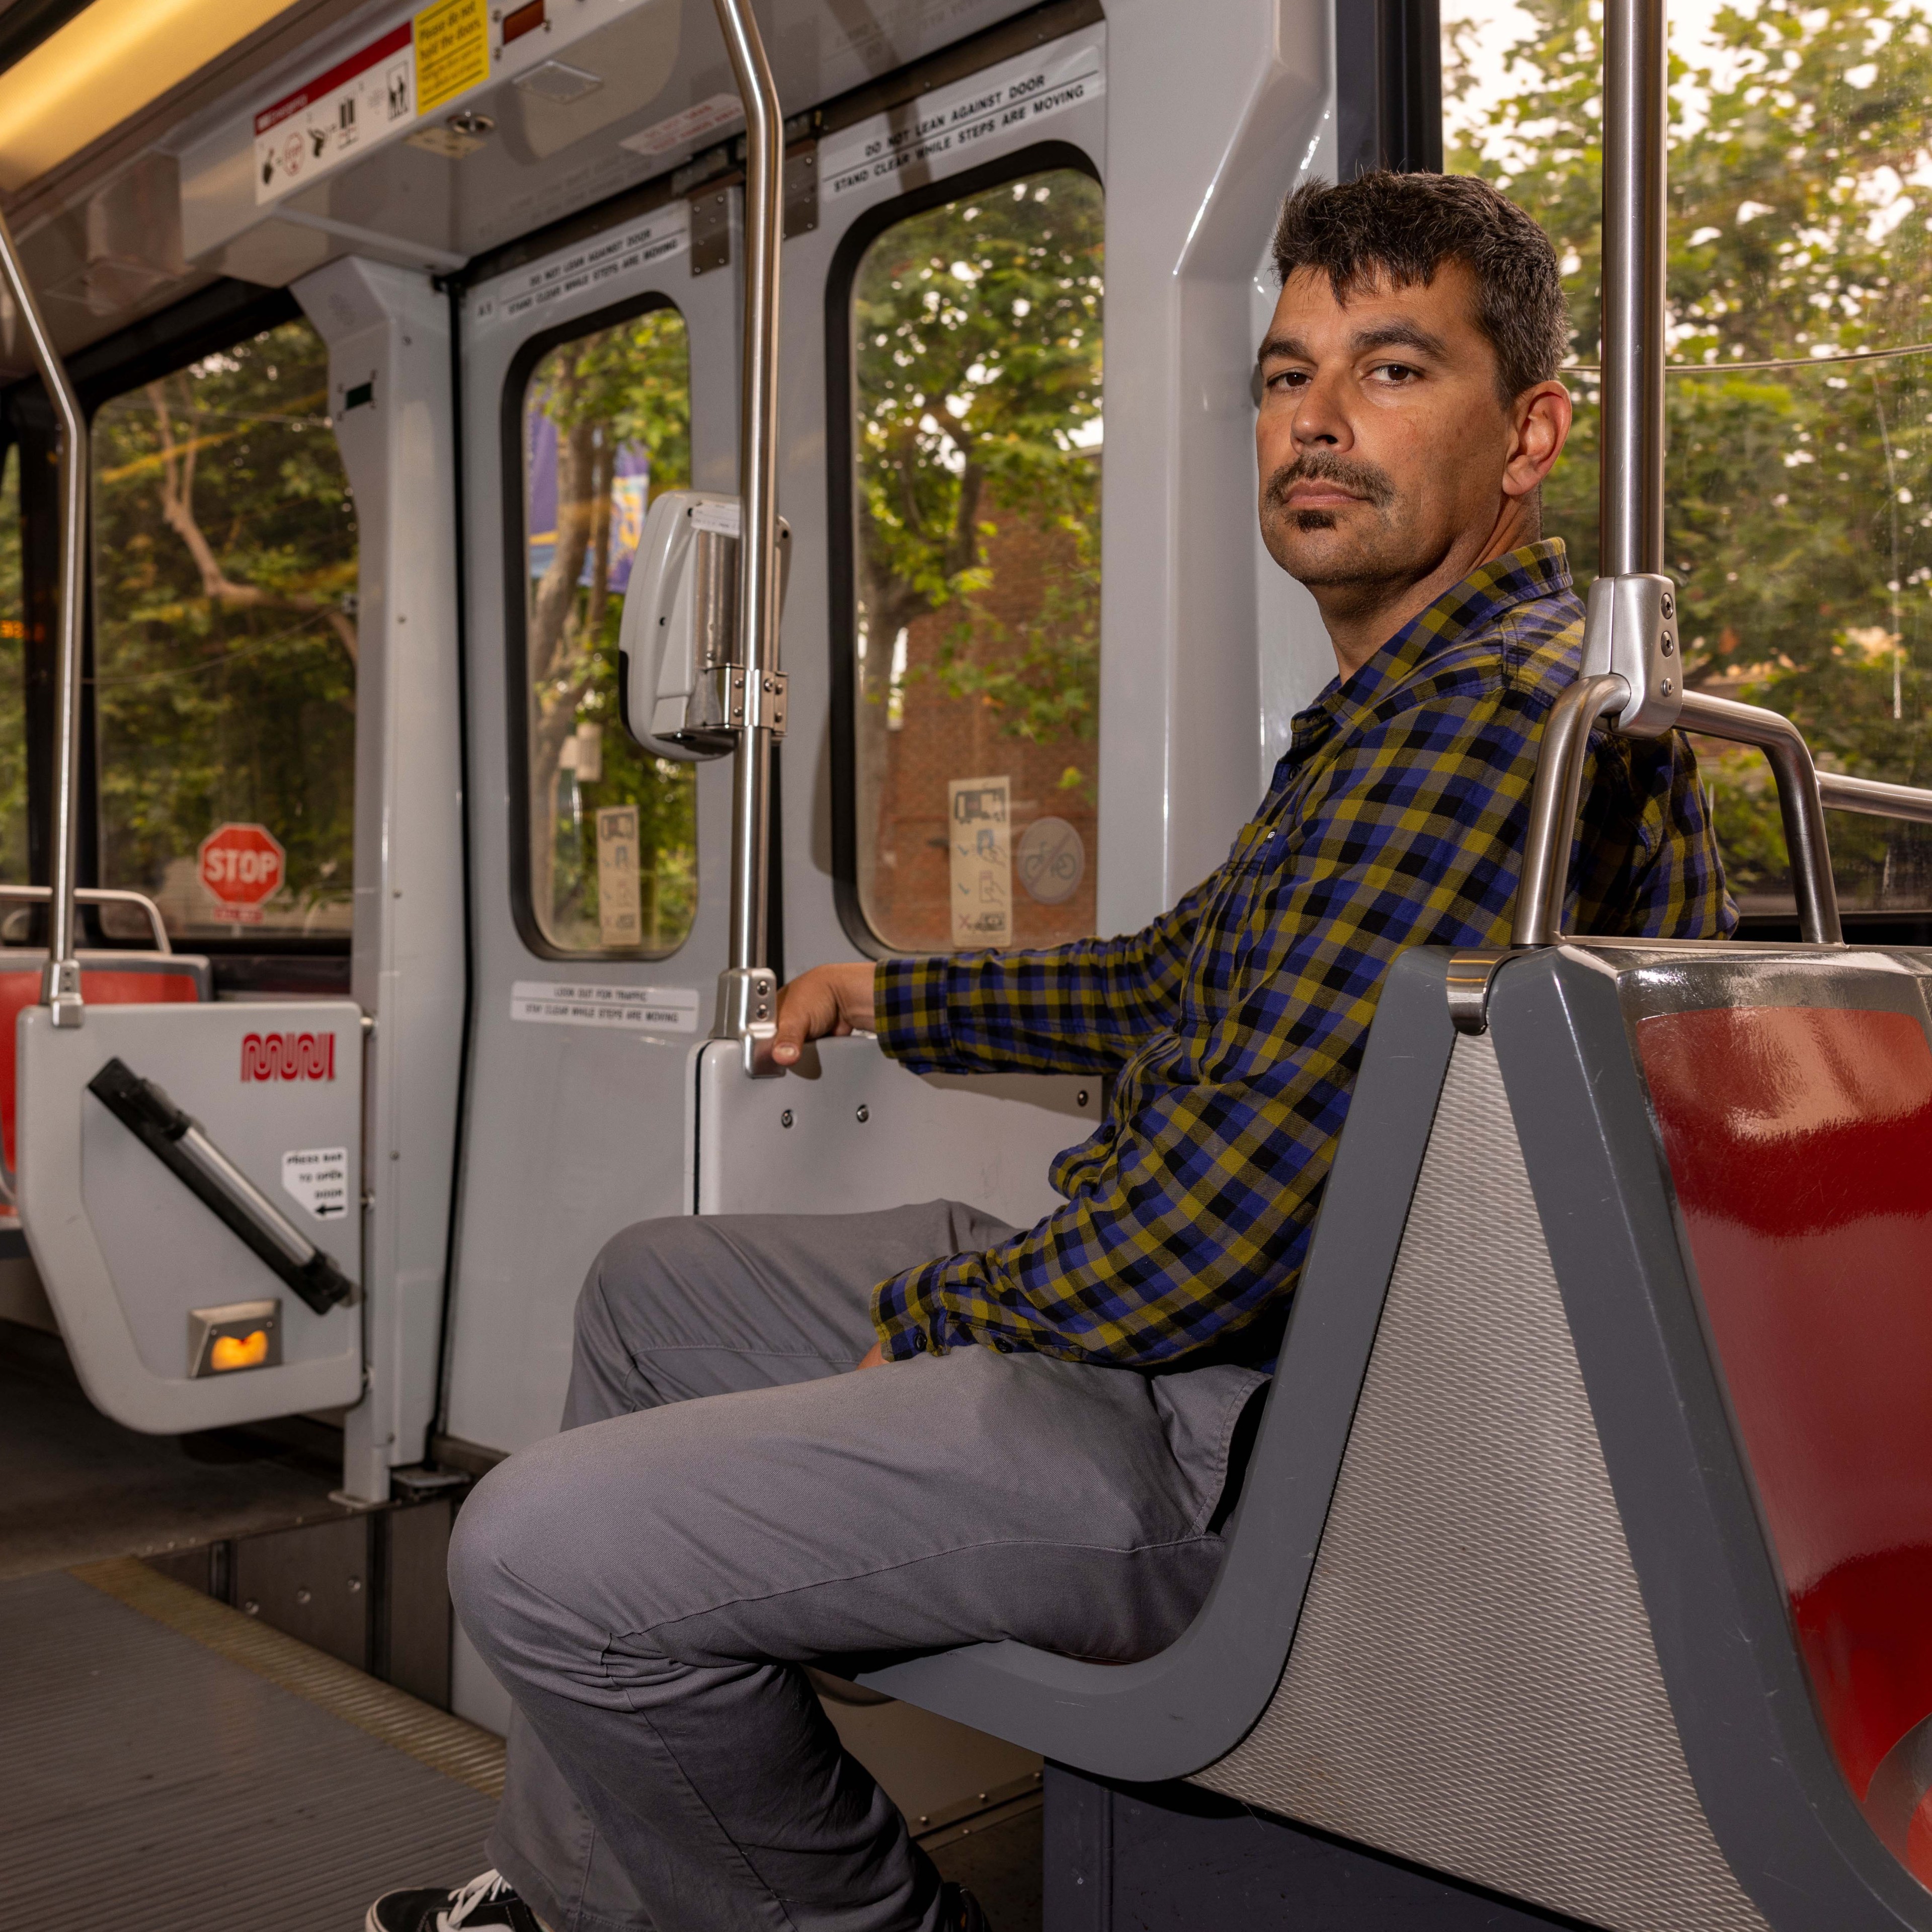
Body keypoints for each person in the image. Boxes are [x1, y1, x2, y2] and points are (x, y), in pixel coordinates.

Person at [369, 170, 1732, 1932]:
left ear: (1530, 430)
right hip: (1210, 1354)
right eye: (1284, 373)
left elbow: (1218, 1230)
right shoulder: (1398, 705)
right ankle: (590, 1905)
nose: (1314, 421)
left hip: (1241, 1436)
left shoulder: (1484, 726)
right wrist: (895, 995)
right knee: (653, 1295)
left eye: (1392, 371)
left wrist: (922, 1331)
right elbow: (1190, 978)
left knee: (538, 1554)